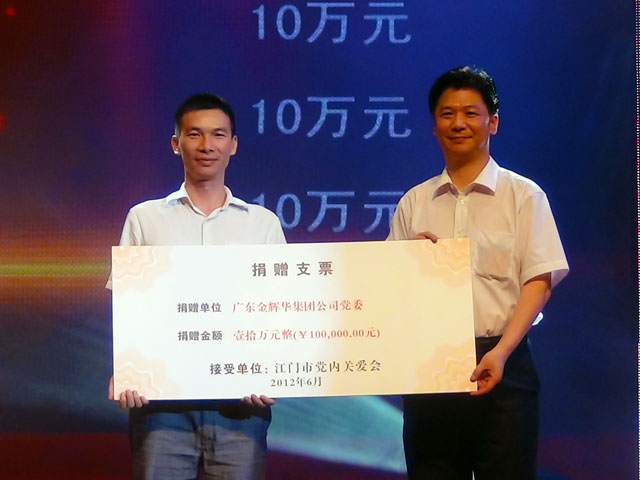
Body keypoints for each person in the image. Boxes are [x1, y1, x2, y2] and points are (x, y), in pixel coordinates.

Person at [387, 66, 569, 479]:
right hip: (431, 367)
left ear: (493, 122)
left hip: (505, 363)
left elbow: (539, 281)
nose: (458, 123)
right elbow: (390, 290)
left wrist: (501, 352)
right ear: (434, 126)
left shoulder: (523, 196)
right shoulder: (414, 202)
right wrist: (407, 263)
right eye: (447, 114)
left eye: (471, 113)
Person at [107, 93, 286, 480]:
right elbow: (128, 301)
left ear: (233, 144)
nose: (207, 145)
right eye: (194, 134)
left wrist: (270, 370)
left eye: (218, 135)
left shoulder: (262, 223)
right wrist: (126, 367)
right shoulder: (145, 218)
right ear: (176, 143)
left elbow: (279, 306)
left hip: (240, 403)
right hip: (161, 407)